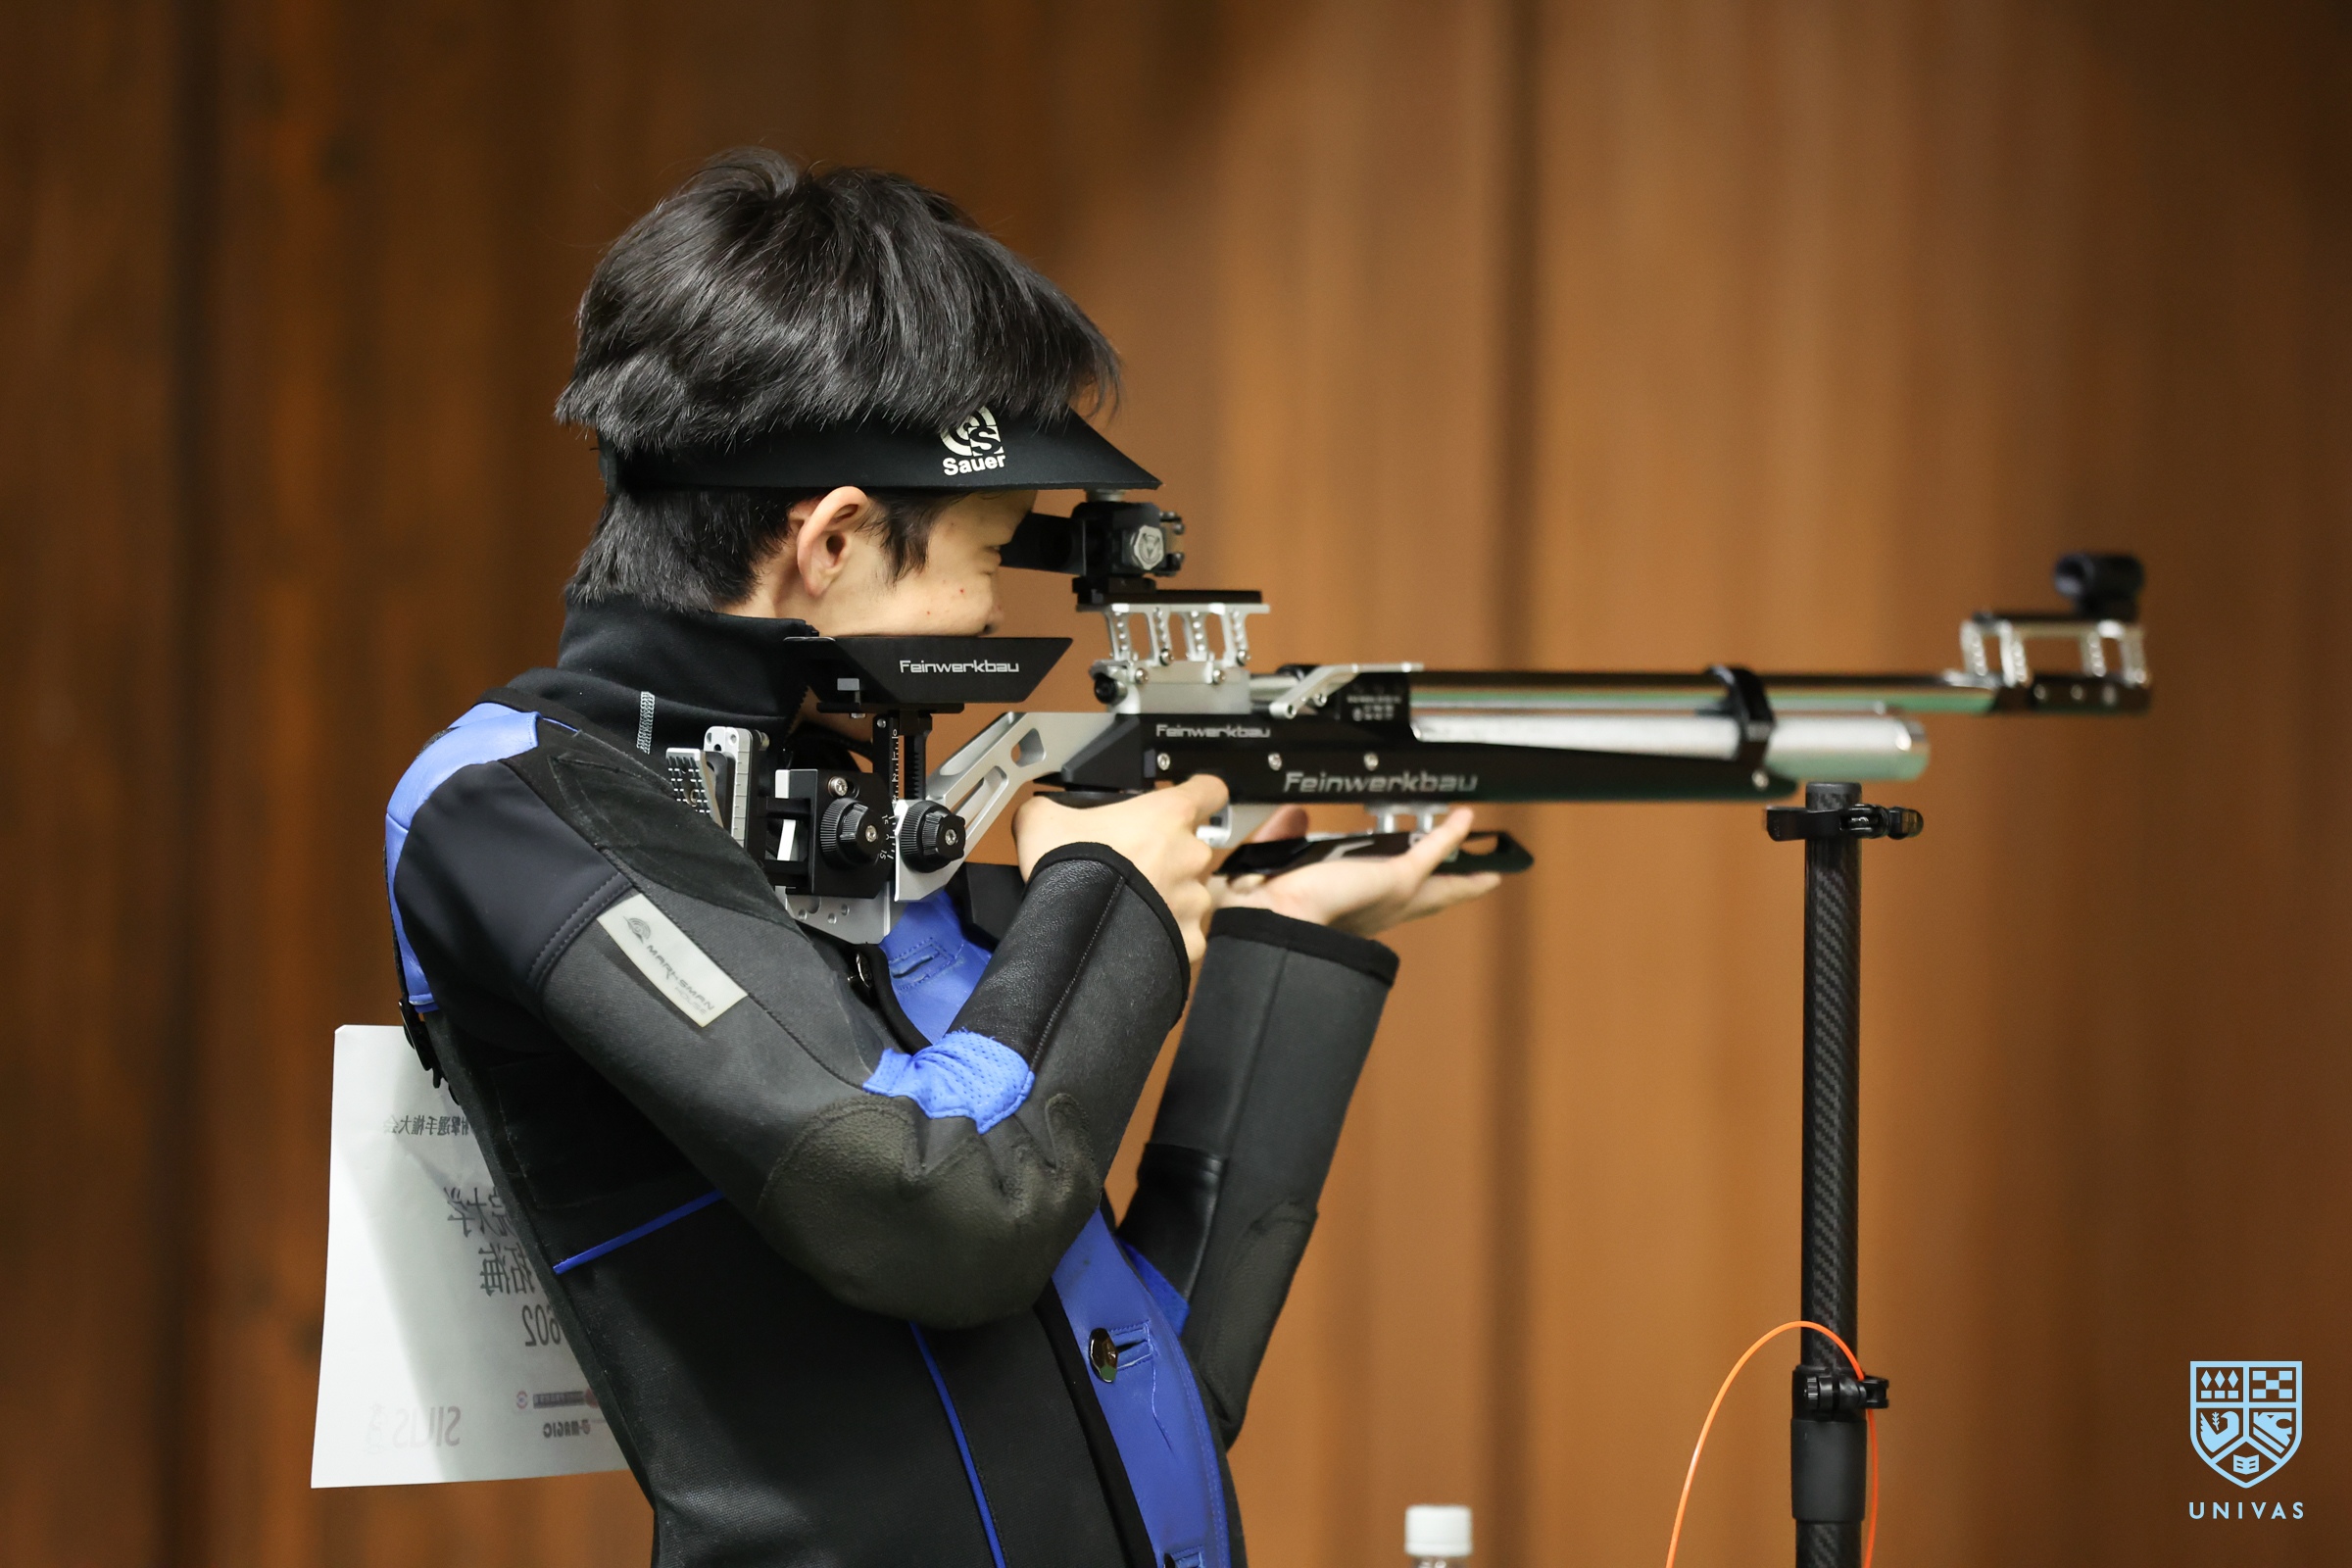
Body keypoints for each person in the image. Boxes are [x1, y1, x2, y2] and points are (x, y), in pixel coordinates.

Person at [383, 150, 1498, 1568]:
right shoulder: (513, 809)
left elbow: (1143, 1380)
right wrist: (1105, 897)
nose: (988, 617)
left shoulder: (843, 815)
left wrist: (1286, 947)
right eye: (983, 558)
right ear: (836, 538)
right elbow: (936, 1204)